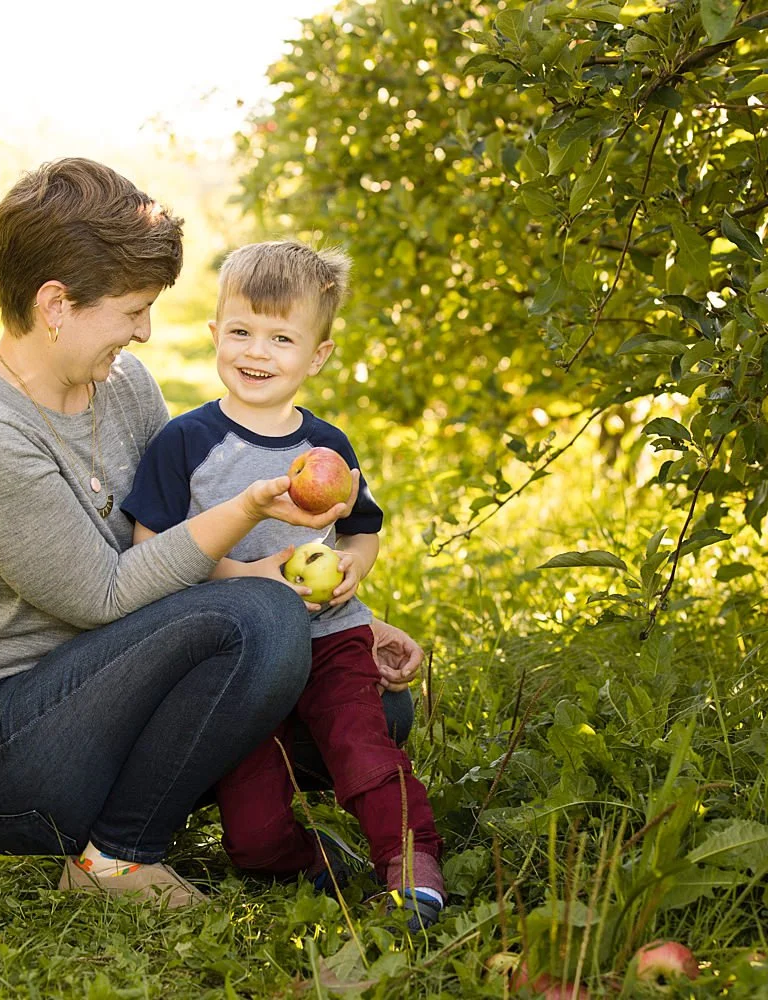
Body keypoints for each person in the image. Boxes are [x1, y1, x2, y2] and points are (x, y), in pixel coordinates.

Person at [0, 158, 423, 909]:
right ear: (56, 304)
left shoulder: (123, 386)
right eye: (132, 309)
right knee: (263, 620)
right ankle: (116, 858)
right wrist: (250, 519)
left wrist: (341, 619)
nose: (145, 330)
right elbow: (107, 595)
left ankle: (155, 815)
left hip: (120, 690)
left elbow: (174, 541)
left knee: (372, 703)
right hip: (3, 743)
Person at [121, 241, 445, 928]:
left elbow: (361, 529)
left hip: (328, 636)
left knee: (362, 747)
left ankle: (411, 864)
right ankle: (307, 861)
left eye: (281, 337)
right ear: (214, 334)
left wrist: (357, 563)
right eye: (240, 331)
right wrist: (246, 576)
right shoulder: (186, 443)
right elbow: (154, 551)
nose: (256, 352)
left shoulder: (328, 450)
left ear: (317, 355)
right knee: (253, 825)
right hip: (233, 659)